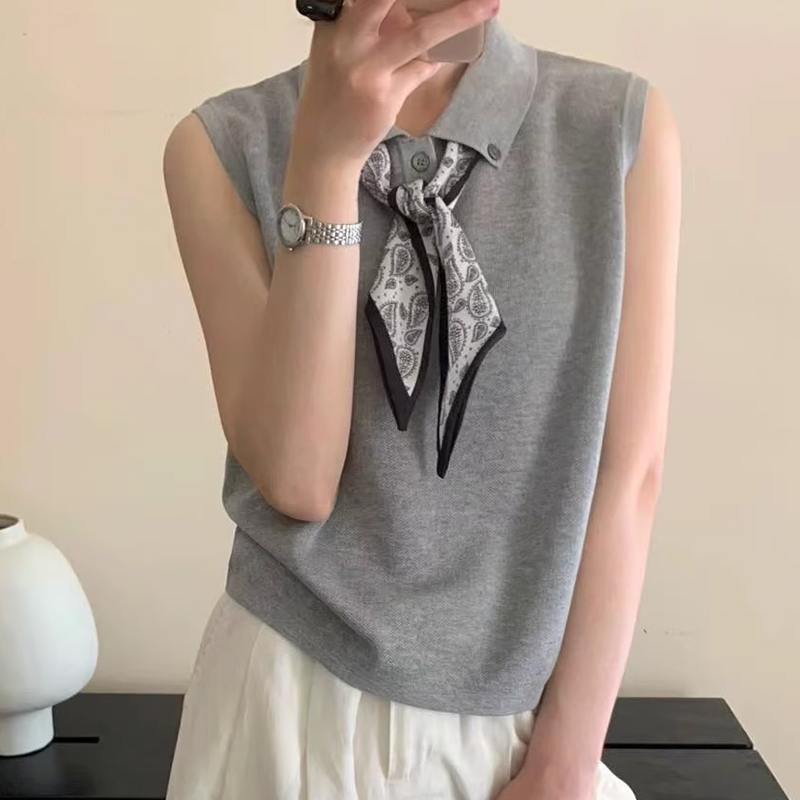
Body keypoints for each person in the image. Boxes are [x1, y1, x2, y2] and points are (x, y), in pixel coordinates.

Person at [162, 0, 681, 797]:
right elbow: (298, 481)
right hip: (285, 701)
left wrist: (568, 760)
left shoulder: (615, 129)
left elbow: (630, 473)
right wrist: (325, 162)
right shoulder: (222, 144)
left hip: (514, 734)